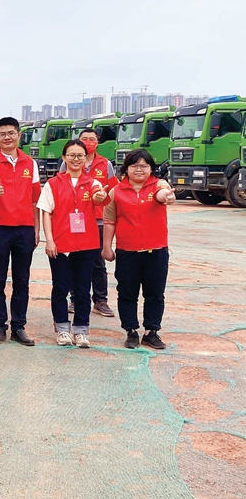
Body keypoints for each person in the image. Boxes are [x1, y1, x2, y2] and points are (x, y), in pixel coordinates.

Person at [102, 149, 175, 350]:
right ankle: (131, 331)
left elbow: (162, 195)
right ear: (126, 169)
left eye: (144, 166)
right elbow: (109, 221)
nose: (139, 169)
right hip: (127, 251)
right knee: (127, 293)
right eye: (134, 166)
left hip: (156, 251)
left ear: (151, 169)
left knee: (155, 293)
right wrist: (107, 247)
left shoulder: (158, 185)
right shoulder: (116, 192)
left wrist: (167, 197)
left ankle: (152, 332)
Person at [38, 140, 108, 348]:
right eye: (72, 155)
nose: (76, 159)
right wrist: (50, 240)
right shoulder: (53, 184)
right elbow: (46, 212)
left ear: (86, 159)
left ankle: (81, 330)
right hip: (60, 244)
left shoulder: (93, 183)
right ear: (64, 158)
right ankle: (62, 329)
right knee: (60, 288)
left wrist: (100, 195)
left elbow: (99, 198)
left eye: (80, 155)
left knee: (83, 289)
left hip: (86, 244)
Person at [0, 117, 41, 346]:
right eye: (2, 134)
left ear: (18, 135)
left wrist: (36, 228)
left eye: (11, 133)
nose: (7, 137)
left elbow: (35, 199)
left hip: (25, 229)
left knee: (21, 279)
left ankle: (19, 326)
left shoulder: (30, 163)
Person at [58, 127, 116, 318]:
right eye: (85, 139)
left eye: (92, 139)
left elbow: (113, 190)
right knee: (74, 260)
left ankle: (100, 300)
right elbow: (62, 186)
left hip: (98, 220)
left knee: (98, 263)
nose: (88, 142)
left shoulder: (105, 164)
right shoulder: (69, 162)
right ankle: (75, 299)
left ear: (97, 143)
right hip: (74, 219)